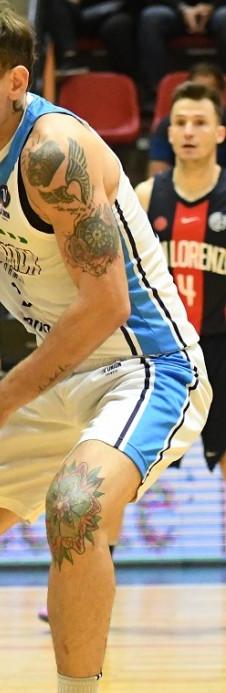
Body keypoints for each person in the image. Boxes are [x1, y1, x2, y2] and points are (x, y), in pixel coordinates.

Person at [0, 3, 212, 692]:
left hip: (145, 364)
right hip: (59, 370)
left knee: (76, 506)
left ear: (16, 82)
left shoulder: (54, 154)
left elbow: (106, 305)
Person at [136, 80, 226, 479]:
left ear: (220, 133)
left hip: (221, 346)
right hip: (164, 350)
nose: (189, 131)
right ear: (168, 133)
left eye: (200, 122)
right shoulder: (144, 195)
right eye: (181, 122)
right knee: (132, 468)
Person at [139, 1, 226, 111]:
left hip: (217, 8)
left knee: (224, 16)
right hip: (174, 9)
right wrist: (182, 8)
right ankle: (156, 92)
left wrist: (211, 6)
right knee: (152, 17)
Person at [148, 62, 226, 176]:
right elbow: (156, 176)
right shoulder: (167, 125)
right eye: (196, 92)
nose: (201, 98)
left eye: (209, 92)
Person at [43, 0, 140, 77]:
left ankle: (131, 80)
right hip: (84, 13)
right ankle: (69, 58)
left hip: (117, 12)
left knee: (118, 24)